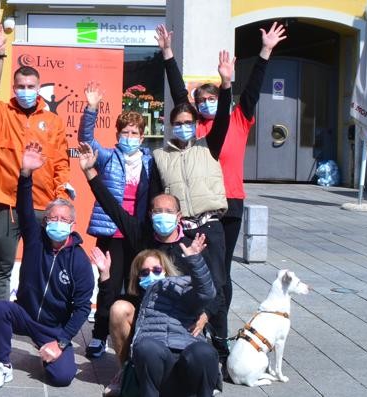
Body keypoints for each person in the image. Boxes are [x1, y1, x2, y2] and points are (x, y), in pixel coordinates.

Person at [156, 24, 286, 368]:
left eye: (212, 99)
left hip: (229, 207)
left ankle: (219, 336)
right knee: (188, 269)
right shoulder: (195, 128)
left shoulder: (236, 120)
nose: (207, 104)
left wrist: (265, 53)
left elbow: (253, 90)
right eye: (202, 100)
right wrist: (168, 54)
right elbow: (177, 94)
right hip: (197, 209)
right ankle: (187, 329)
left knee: (221, 276)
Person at [77, 142, 207, 396]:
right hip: (146, 309)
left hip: (180, 315)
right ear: (149, 214)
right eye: (157, 211)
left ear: (179, 216)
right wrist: (89, 172)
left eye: (168, 212)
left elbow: (216, 287)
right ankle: (126, 369)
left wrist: (207, 314)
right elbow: (112, 207)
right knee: (119, 308)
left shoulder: (193, 245)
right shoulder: (141, 235)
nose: (162, 216)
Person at [0, 23, 71, 303]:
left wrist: (61, 198)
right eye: (21, 86)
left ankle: (33, 319)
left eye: (31, 86)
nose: (26, 90)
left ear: (39, 88)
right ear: (13, 88)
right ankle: (1, 326)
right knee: (1, 268)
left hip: (42, 205)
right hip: (6, 204)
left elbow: (62, 162)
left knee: (37, 266)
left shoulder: (52, 121)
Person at [0, 142, 94, 389]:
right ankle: (2, 364)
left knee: (62, 378)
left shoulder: (79, 262)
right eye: (52, 218)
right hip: (25, 315)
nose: (57, 222)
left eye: (64, 219)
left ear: (72, 226)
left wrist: (61, 342)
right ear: (44, 222)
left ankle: (48, 351)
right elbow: (23, 208)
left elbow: (82, 308)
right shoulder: (36, 240)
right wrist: (26, 175)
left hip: (53, 329)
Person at [149, 48, 233, 370]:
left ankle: (221, 346)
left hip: (210, 224)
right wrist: (168, 56)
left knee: (218, 285)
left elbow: (223, 116)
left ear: (197, 124)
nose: (184, 127)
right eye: (178, 123)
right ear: (171, 126)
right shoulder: (161, 156)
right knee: (182, 285)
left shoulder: (209, 146)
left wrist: (226, 84)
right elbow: (156, 196)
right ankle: (185, 340)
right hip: (181, 229)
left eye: (189, 122)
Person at [76, 81, 153, 359]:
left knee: (138, 284)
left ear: (142, 137)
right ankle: (99, 337)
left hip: (140, 234)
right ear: (118, 135)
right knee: (108, 283)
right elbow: (85, 139)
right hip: (112, 231)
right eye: (125, 132)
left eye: (135, 133)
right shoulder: (108, 157)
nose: (129, 136)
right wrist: (92, 108)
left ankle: (135, 331)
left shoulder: (150, 162)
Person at [95, 245, 219, 397]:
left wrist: (195, 260)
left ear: (165, 270)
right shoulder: (138, 298)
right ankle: (127, 374)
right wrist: (105, 275)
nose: (151, 275)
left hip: (187, 357)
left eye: (157, 270)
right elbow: (108, 308)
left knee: (204, 351)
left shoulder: (181, 289)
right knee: (146, 347)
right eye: (144, 272)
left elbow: (206, 292)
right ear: (138, 276)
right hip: (156, 359)